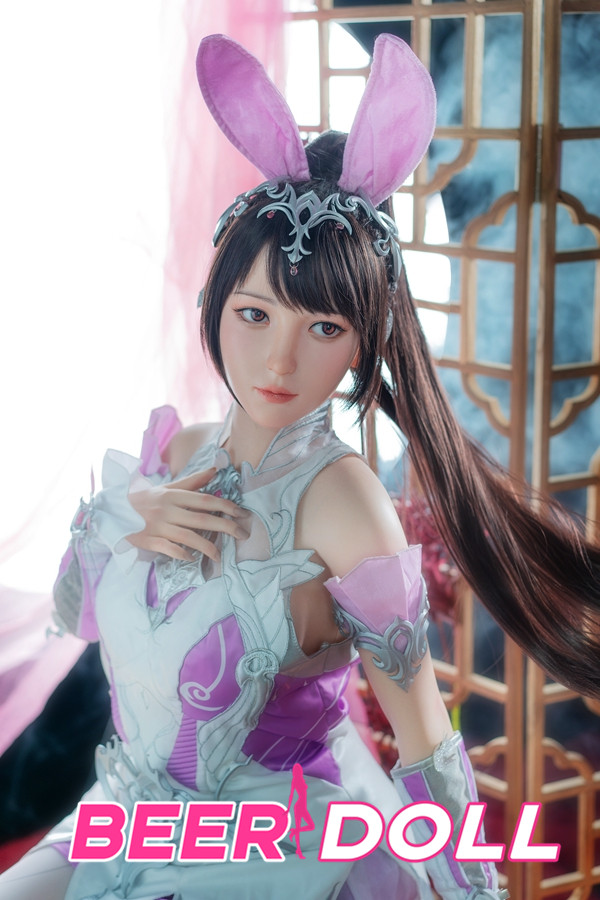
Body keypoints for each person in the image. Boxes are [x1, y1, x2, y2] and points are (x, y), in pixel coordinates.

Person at [1, 31, 598, 900]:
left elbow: (427, 740)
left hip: (269, 849)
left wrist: (474, 890)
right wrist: (121, 516)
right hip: (125, 821)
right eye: (254, 315)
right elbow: (73, 618)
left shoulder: (344, 503)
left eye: (323, 328)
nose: (279, 362)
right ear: (214, 304)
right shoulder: (177, 451)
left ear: (363, 340)